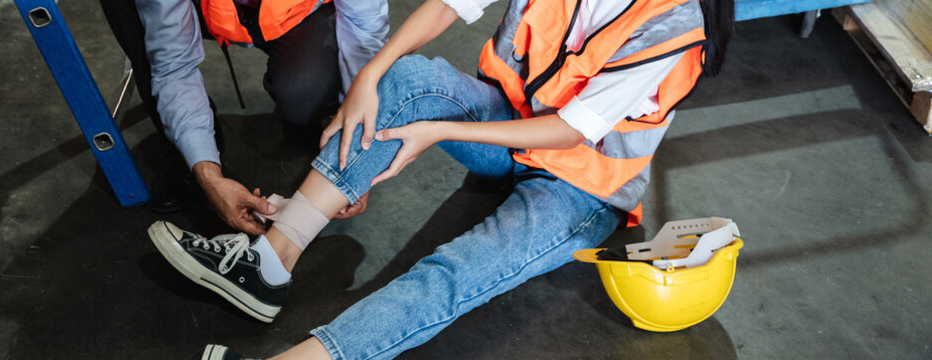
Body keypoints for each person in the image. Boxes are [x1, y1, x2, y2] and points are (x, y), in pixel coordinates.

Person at [147, 0, 734, 358]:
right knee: (410, 78)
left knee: (454, 272)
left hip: (581, 188)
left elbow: (570, 132)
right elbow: (450, 4)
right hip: (512, 128)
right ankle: (268, 263)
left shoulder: (674, 24)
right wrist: (371, 75)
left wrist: (436, 133)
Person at [98, 0, 387, 224]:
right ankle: (186, 145)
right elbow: (174, 64)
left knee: (305, 92)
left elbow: (365, 33)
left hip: (299, 14)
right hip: (209, 11)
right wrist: (208, 174)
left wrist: (359, 160)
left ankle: (321, 114)